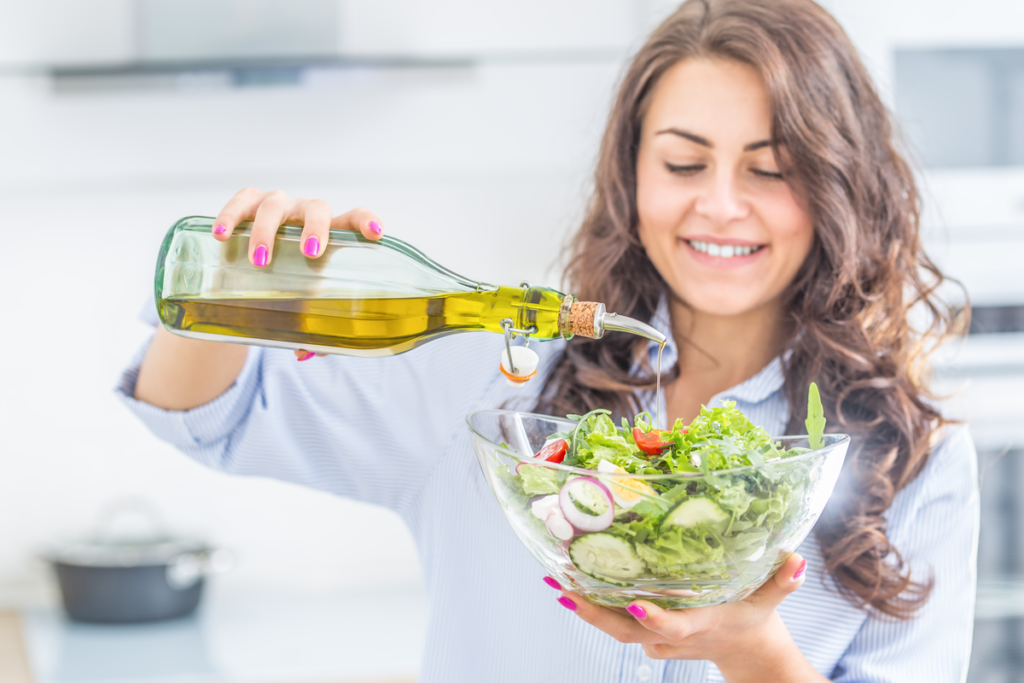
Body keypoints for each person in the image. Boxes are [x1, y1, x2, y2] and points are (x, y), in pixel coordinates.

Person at [117, 0, 978, 680]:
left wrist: (753, 652)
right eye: (683, 164)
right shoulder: (494, 383)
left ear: (838, 183)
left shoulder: (916, 458)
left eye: (772, 167)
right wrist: (229, 288)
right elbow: (204, 414)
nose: (720, 204)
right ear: (631, 175)